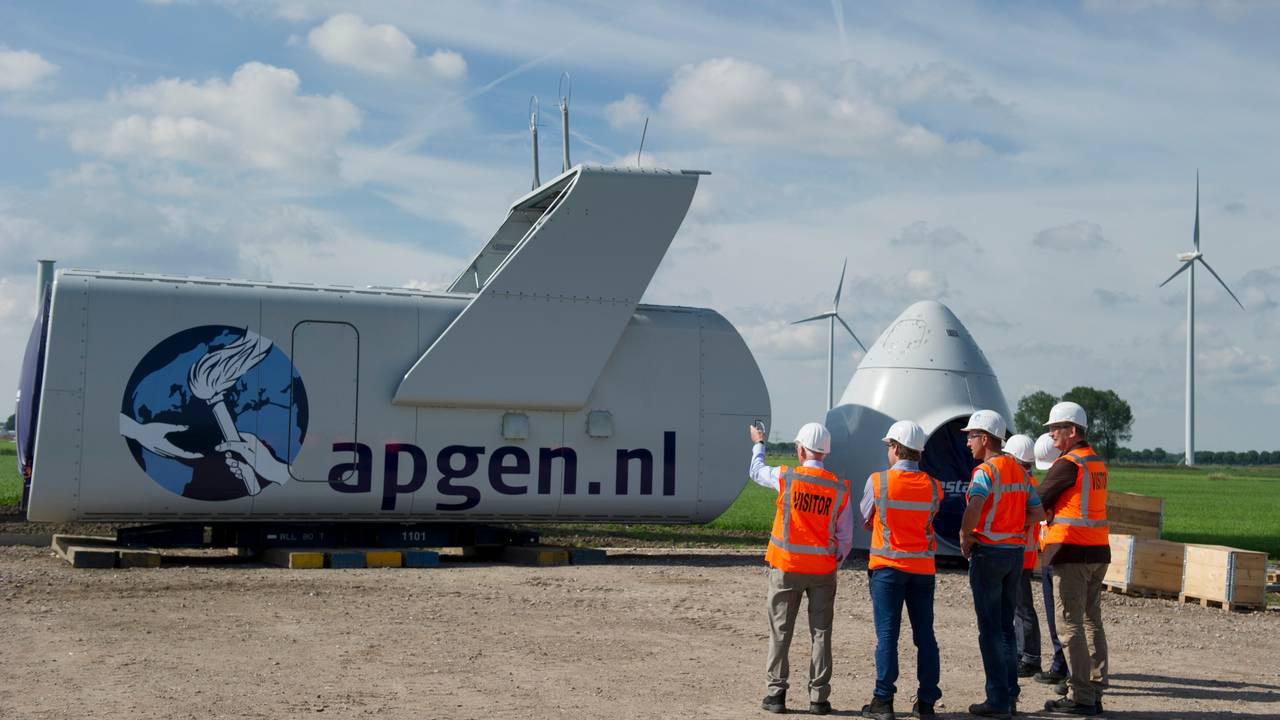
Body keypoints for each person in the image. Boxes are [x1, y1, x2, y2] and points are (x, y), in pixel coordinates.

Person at [750, 421, 853, 715]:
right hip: (822, 571)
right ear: (825, 453)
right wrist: (834, 562)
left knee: (781, 631)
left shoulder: (787, 477)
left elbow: (756, 472)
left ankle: (776, 695)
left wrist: (759, 443)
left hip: (786, 567)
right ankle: (818, 698)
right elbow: (844, 537)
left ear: (799, 449)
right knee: (821, 633)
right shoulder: (838, 487)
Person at [958, 410, 1045, 719]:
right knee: (1006, 628)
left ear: (985, 438)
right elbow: (1038, 513)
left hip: (989, 554)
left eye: (971, 436)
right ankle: (1009, 695)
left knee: (990, 630)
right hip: (1014, 555)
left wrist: (966, 535)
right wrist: (1013, 526)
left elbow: (976, 505)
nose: (967, 442)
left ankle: (996, 700)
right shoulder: (1020, 472)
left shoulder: (986, 472)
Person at [859, 420, 943, 720]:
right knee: (925, 637)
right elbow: (929, 517)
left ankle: (883, 701)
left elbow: (866, 514)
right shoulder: (933, 486)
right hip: (922, 569)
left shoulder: (878, 481)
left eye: (889, 447)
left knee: (887, 636)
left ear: (895, 448)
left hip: (887, 569)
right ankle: (927, 701)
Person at [1038, 402, 1110, 716]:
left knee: (1070, 626)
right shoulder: (1096, 462)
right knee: (1092, 622)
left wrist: (1047, 513)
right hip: (1097, 550)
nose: (1051, 433)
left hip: (1072, 552)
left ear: (1072, 431)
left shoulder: (1068, 463)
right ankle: (1094, 689)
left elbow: (1037, 500)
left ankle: (1080, 696)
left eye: (1056, 428)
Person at [1003, 434, 1043, 679]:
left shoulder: (1022, 484)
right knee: (1020, 608)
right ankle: (1023, 654)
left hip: (1020, 554)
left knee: (1023, 609)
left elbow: (1029, 518)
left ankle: (1030, 658)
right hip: (1026, 554)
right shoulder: (1032, 482)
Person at [1032, 433, 1069, 688]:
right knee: (1055, 616)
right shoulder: (1056, 478)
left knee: (1064, 617)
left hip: (1060, 554)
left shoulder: (1065, 481)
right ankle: (1059, 663)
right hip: (1050, 552)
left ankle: (1064, 666)